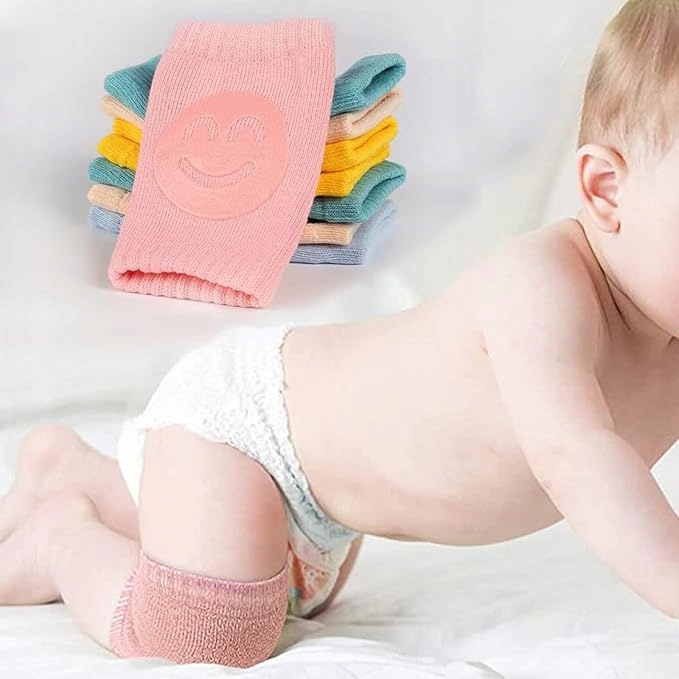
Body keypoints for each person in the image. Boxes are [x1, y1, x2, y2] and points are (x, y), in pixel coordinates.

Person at [2, 0, 679, 668]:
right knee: (210, 634)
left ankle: (75, 471)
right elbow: (577, 457)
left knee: (261, 580)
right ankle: (59, 539)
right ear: (605, 189)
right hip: (252, 431)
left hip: (327, 505)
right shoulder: (543, 289)